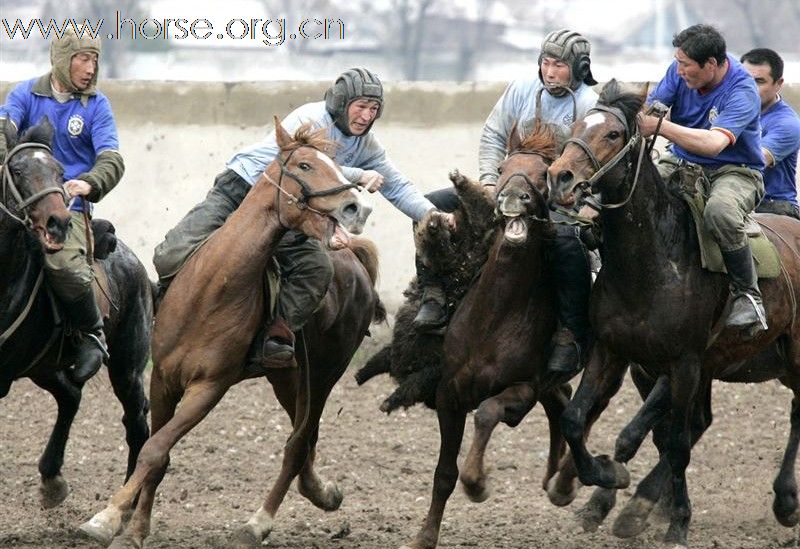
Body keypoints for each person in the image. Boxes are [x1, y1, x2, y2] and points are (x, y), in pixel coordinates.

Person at [153, 68, 439, 368]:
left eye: (373, 109)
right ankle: (160, 307)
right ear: (342, 103)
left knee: (316, 269)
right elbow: (307, 165)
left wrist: (433, 215)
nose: (367, 116)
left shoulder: (367, 144)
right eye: (361, 106)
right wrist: (357, 175)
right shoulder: (311, 119)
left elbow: (397, 186)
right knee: (170, 254)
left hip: (291, 213)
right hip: (239, 191)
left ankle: (273, 338)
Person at [412, 29, 599, 376]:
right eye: (545, 63)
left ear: (579, 67)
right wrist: (485, 186)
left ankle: (570, 335)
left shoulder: (590, 104)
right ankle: (434, 294)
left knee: (567, 244)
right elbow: (494, 135)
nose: (550, 72)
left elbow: (594, 160)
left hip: (554, 200)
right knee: (429, 207)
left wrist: (581, 202)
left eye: (559, 65)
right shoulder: (521, 88)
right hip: (506, 186)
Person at [0, 29, 124, 383]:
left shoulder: (97, 105)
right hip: (16, 207)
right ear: (61, 60)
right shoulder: (24, 93)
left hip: (66, 209)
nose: (90, 68)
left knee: (66, 267)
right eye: (83, 59)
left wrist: (91, 181)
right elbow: (3, 129)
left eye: (95, 60)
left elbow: (111, 158)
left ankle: (90, 335)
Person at [640, 24, 767, 335]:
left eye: (686, 65)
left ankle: (748, 294)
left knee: (720, 212)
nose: (680, 70)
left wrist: (659, 127)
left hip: (735, 170)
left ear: (711, 64)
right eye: (678, 62)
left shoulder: (742, 90)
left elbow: (713, 144)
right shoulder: (679, 69)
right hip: (681, 160)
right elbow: (654, 108)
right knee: (639, 193)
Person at [740, 48, 800, 219]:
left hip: (773, 206)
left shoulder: (787, 123)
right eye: (745, 80)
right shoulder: (728, 109)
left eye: (759, 81)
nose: (750, 88)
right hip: (733, 199)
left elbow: (755, 160)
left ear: (778, 84)